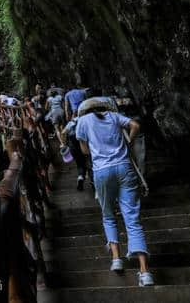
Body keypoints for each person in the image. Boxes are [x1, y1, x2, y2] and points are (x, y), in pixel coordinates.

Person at [76, 107, 154, 286]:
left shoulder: (83, 121)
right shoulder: (113, 116)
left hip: (102, 171)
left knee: (109, 215)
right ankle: (145, 272)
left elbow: (85, 151)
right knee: (133, 219)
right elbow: (135, 125)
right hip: (124, 167)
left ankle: (117, 259)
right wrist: (128, 142)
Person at [61, 116, 90, 191]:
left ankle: (80, 177)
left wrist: (64, 144)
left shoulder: (71, 123)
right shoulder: (85, 121)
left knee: (79, 164)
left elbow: (63, 132)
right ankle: (92, 179)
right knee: (88, 161)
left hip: (73, 147)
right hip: (84, 145)